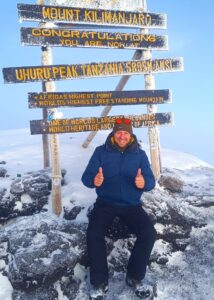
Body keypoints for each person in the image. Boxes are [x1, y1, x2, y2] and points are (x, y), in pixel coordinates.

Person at [81, 117, 157, 299]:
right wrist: (94, 180)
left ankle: (134, 277)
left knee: (149, 234)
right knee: (93, 234)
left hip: (132, 205)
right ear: (114, 134)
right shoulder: (101, 152)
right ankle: (99, 282)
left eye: (125, 132)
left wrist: (143, 182)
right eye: (119, 132)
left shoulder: (140, 155)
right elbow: (86, 178)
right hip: (105, 203)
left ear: (130, 135)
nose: (122, 136)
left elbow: (151, 182)